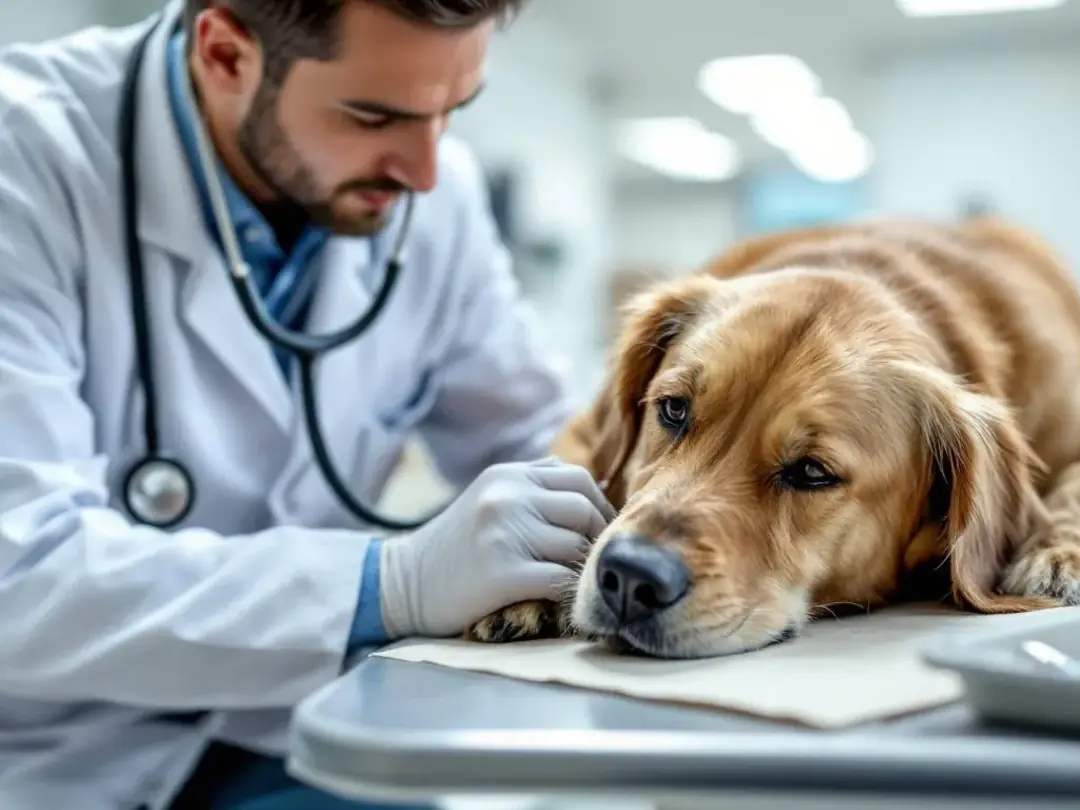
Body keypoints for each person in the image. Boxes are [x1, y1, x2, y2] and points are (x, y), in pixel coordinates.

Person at [0, 1, 615, 808]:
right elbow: (19, 574)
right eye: (373, 114)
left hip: (298, 717)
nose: (423, 170)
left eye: (451, 113)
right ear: (225, 54)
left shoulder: (437, 198)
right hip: (61, 744)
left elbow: (543, 439)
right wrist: (388, 583)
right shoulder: (28, 160)